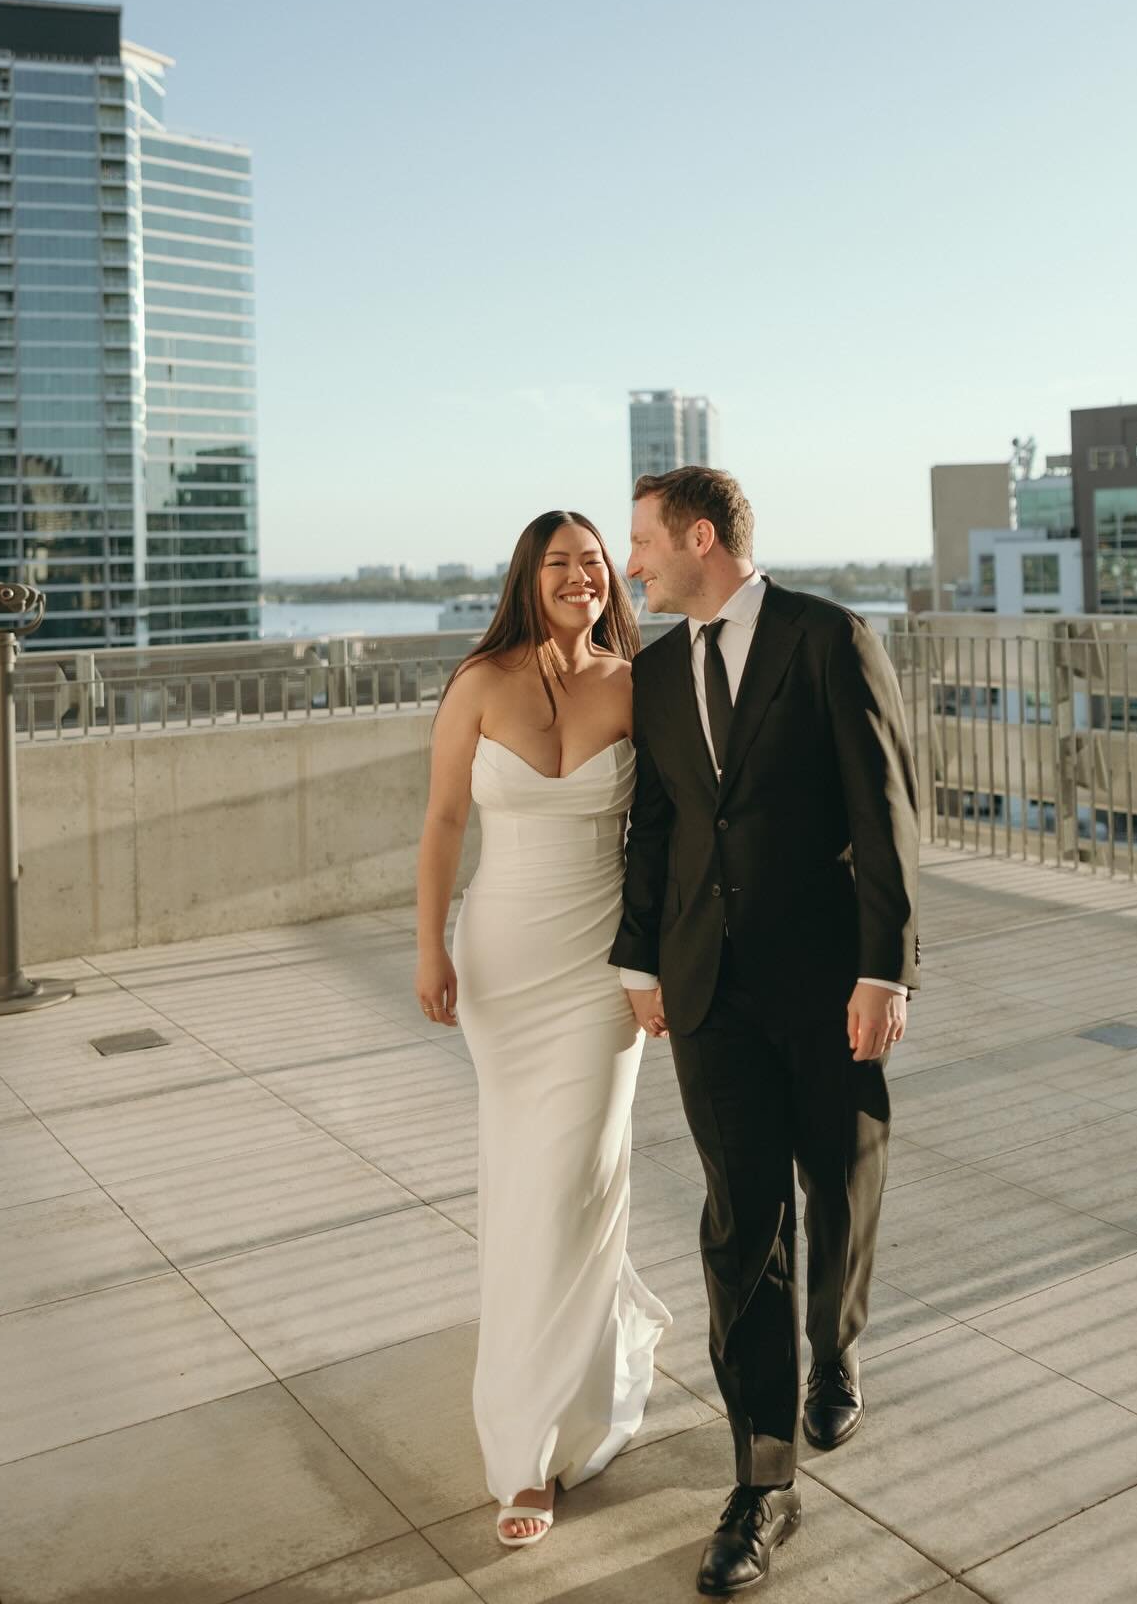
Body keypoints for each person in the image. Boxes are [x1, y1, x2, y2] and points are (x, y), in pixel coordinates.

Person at [613, 467, 920, 1597]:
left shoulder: (826, 637)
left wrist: (886, 968)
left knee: (838, 1186)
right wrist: (641, 955)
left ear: (700, 539)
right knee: (743, 1222)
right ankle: (762, 1479)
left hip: (830, 977)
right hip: (707, 989)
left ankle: (834, 1352)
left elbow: (886, 807)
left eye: (642, 542)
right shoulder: (653, 671)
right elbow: (657, 825)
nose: (632, 563)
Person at [416, 511, 670, 1548]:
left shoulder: (635, 685)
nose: (580, 575)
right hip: (502, 973)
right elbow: (441, 823)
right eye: (560, 562)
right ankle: (528, 1433)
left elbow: (668, 834)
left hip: (599, 977)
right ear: (530, 577)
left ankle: (546, 1431)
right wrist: (430, 947)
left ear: (612, 580)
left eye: (595, 561)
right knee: (528, 1190)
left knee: (579, 1182)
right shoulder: (480, 682)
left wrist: (658, 961)